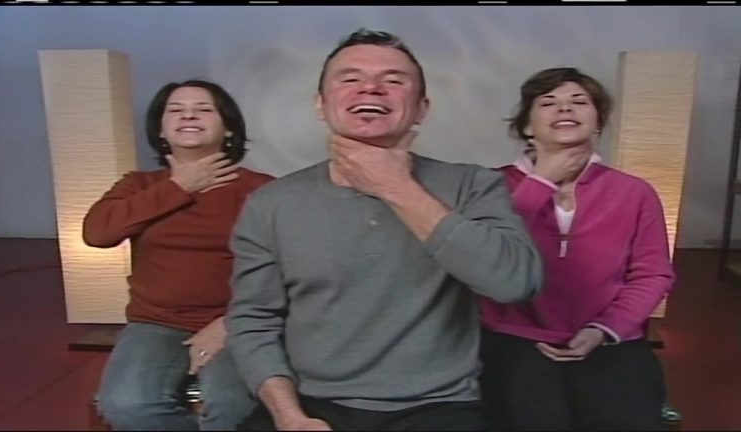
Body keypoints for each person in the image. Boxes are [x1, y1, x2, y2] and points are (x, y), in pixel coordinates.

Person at [226, 29, 543, 431]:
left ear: (422, 108)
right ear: (321, 104)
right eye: (350, 78)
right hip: (311, 405)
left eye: (393, 80)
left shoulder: (473, 185)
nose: (371, 88)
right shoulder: (271, 203)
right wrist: (290, 416)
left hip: (437, 407)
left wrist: (395, 187)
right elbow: (254, 320)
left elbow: (515, 283)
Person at [477, 67, 675, 431]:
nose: (565, 108)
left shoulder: (634, 192)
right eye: (548, 102)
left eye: (579, 101)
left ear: (598, 122)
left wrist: (605, 328)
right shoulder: (489, 185)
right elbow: (485, 258)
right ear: (526, 126)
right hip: (513, 338)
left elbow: (653, 273)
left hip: (610, 339)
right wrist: (540, 182)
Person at [84, 79, 274, 430]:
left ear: (228, 128)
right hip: (156, 322)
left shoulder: (260, 189)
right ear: (161, 130)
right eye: (176, 110)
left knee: (231, 404)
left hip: (240, 321)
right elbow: (98, 234)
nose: (188, 116)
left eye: (203, 109)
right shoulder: (140, 185)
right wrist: (179, 186)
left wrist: (230, 323)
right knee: (126, 405)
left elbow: (290, 267)